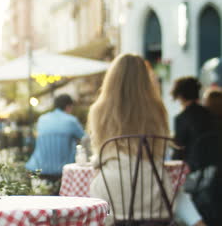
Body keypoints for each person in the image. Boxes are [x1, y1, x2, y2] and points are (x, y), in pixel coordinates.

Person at [87, 54, 204, 226]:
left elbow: (99, 150)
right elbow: (161, 149)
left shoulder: (98, 110)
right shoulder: (157, 109)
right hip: (153, 186)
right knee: (176, 195)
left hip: (111, 188)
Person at [171, 77, 221, 225]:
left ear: (179, 95)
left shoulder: (182, 119)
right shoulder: (211, 115)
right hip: (216, 173)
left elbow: (178, 152)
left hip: (194, 175)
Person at [25, 94, 84, 185]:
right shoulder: (71, 120)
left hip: (37, 168)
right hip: (63, 170)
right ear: (68, 107)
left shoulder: (42, 119)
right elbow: (85, 138)